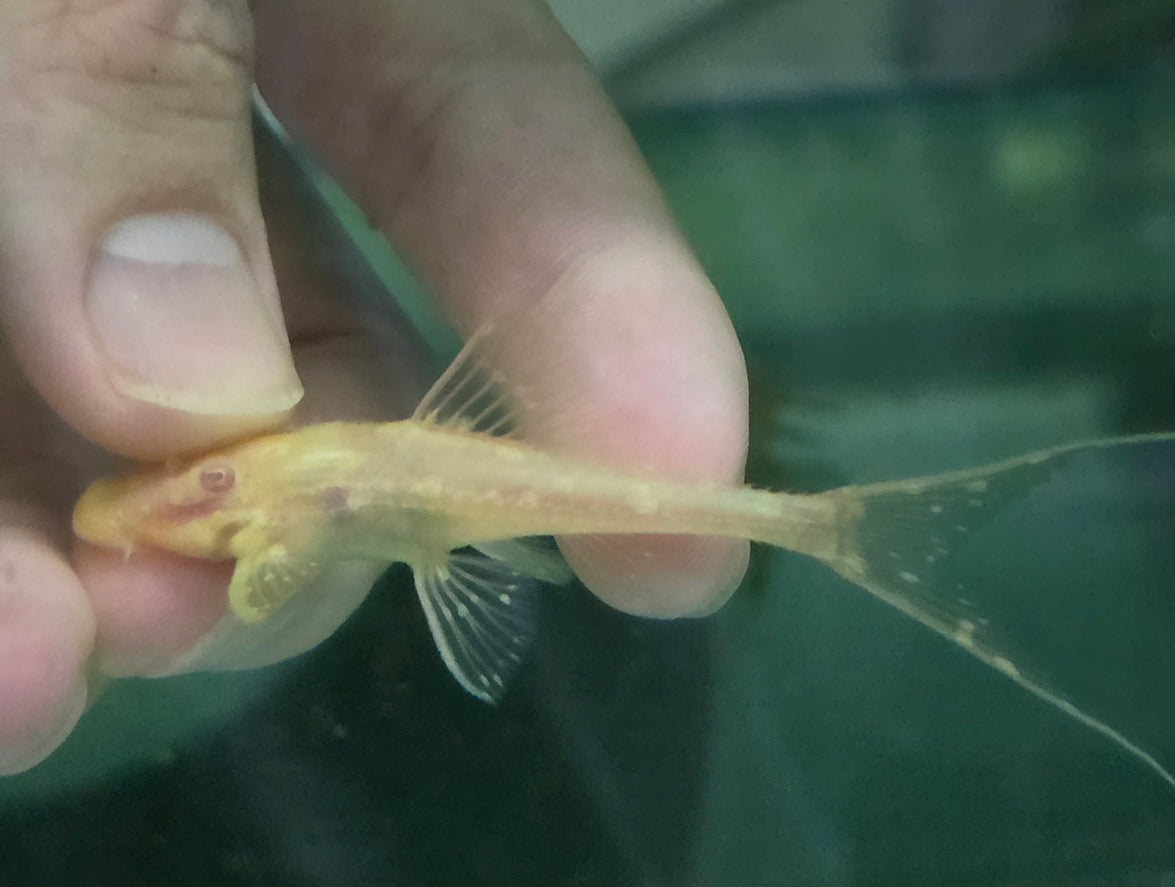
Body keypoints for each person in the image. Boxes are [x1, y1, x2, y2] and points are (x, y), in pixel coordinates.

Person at [0, 0, 750, 773]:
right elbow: (258, 587)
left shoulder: (262, 504)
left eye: (213, 479)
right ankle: (795, 522)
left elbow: (260, 592)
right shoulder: (250, 503)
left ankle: (808, 523)